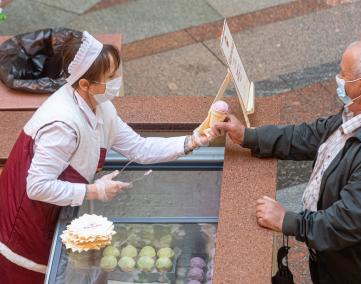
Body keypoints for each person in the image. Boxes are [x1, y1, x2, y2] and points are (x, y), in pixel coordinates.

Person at [0, 31, 214, 283]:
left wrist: (190, 142)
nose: (116, 82)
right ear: (84, 84)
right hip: (29, 224)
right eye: (110, 77)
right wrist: (94, 191)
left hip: (58, 213)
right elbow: (37, 187)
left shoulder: (101, 107)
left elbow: (139, 148)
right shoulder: (61, 125)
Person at [213, 40, 361, 283]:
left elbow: (346, 222)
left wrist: (287, 221)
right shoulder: (360, 112)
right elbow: (313, 135)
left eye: (343, 74)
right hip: (340, 261)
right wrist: (248, 136)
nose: (337, 79)